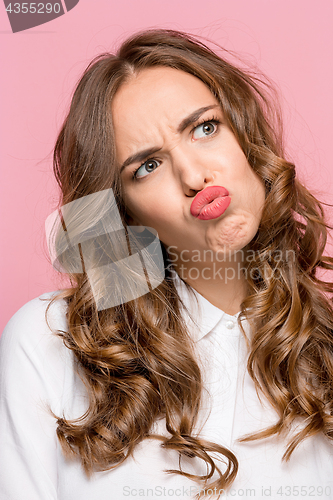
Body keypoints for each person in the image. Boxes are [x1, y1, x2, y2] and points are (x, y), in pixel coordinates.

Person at [1, 29, 333, 500]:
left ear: (245, 136)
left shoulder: (324, 349)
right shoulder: (48, 342)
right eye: (147, 166)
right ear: (125, 212)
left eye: (205, 128)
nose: (195, 176)